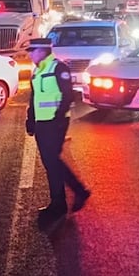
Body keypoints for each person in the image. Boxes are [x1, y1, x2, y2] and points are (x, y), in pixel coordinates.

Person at [26, 37, 90, 224]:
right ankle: (58, 204)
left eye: (32, 50)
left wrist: (59, 118)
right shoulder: (38, 70)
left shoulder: (58, 68)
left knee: (53, 161)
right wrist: (30, 120)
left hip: (55, 122)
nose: (29, 54)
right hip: (41, 123)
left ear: (43, 51)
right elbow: (34, 98)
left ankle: (77, 192)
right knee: (50, 164)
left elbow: (67, 95)